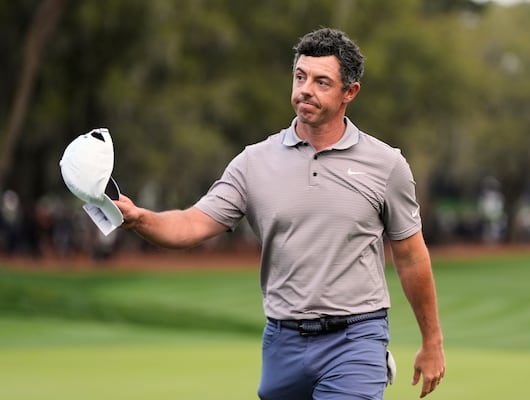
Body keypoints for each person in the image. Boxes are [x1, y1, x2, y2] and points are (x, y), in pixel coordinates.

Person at [115, 27, 445, 399]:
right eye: (300, 77)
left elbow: (412, 257)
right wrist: (142, 218)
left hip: (356, 338)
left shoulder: (385, 165)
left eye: (322, 82)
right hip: (282, 341)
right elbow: (191, 224)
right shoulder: (253, 162)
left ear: (348, 93)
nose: (305, 89)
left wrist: (431, 342)